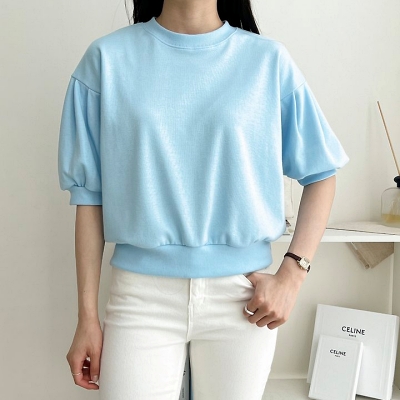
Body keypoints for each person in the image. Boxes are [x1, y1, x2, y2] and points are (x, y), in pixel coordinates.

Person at [57, 0, 349, 399]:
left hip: (243, 299)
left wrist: (292, 275)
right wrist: (86, 317)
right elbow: (89, 197)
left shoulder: (267, 62)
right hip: (141, 297)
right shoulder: (107, 59)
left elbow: (322, 173)